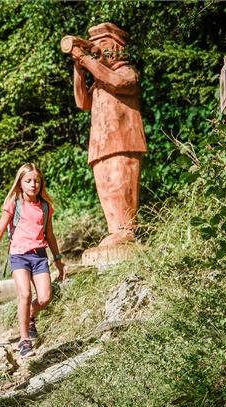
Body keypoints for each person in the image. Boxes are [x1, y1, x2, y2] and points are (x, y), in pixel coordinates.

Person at [70, 22, 147, 247]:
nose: (96, 50)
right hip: (100, 145)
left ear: (117, 47)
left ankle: (126, 229)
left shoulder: (125, 72)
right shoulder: (99, 83)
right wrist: (79, 69)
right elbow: (82, 101)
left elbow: (116, 81)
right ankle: (115, 229)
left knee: (120, 184)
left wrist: (86, 60)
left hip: (123, 141)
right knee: (105, 187)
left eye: (102, 44)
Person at [0, 163, 65, 358]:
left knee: (45, 297)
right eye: (29, 181)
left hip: (39, 255)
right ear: (20, 183)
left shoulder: (45, 206)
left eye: (37, 181)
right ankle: (24, 341)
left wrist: (58, 259)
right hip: (18, 255)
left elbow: (50, 234)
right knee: (24, 294)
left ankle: (30, 315)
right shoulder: (13, 203)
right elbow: (0, 229)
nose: (33, 184)